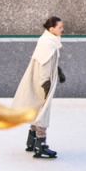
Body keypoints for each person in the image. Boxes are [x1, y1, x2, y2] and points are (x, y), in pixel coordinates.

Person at [12, 16, 65, 159]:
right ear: (51, 29)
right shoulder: (48, 44)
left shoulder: (46, 41)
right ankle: (40, 145)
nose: (62, 29)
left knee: (36, 109)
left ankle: (32, 140)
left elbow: (47, 61)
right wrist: (46, 88)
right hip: (42, 83)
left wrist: (58, 71)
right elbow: (44, 67)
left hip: (39, 81)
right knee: (43, 111)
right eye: (59, 27)